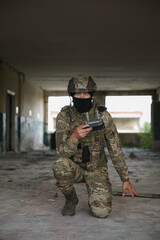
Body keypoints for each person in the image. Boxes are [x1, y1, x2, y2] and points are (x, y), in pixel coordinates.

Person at [52, 74, 138, 218]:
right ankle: (71, 199)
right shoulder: (65, 116)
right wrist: (74, 137)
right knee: (59, 165)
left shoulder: (103, 116)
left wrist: (125, 179)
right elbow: (61, 152)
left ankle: (96, 190)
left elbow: (115, 149)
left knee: (101, 213)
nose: (82, 96)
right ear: (72, 95)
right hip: (76, 167)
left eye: (86, 93)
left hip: (97, 169)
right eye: (78, 93)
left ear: (92, 94)